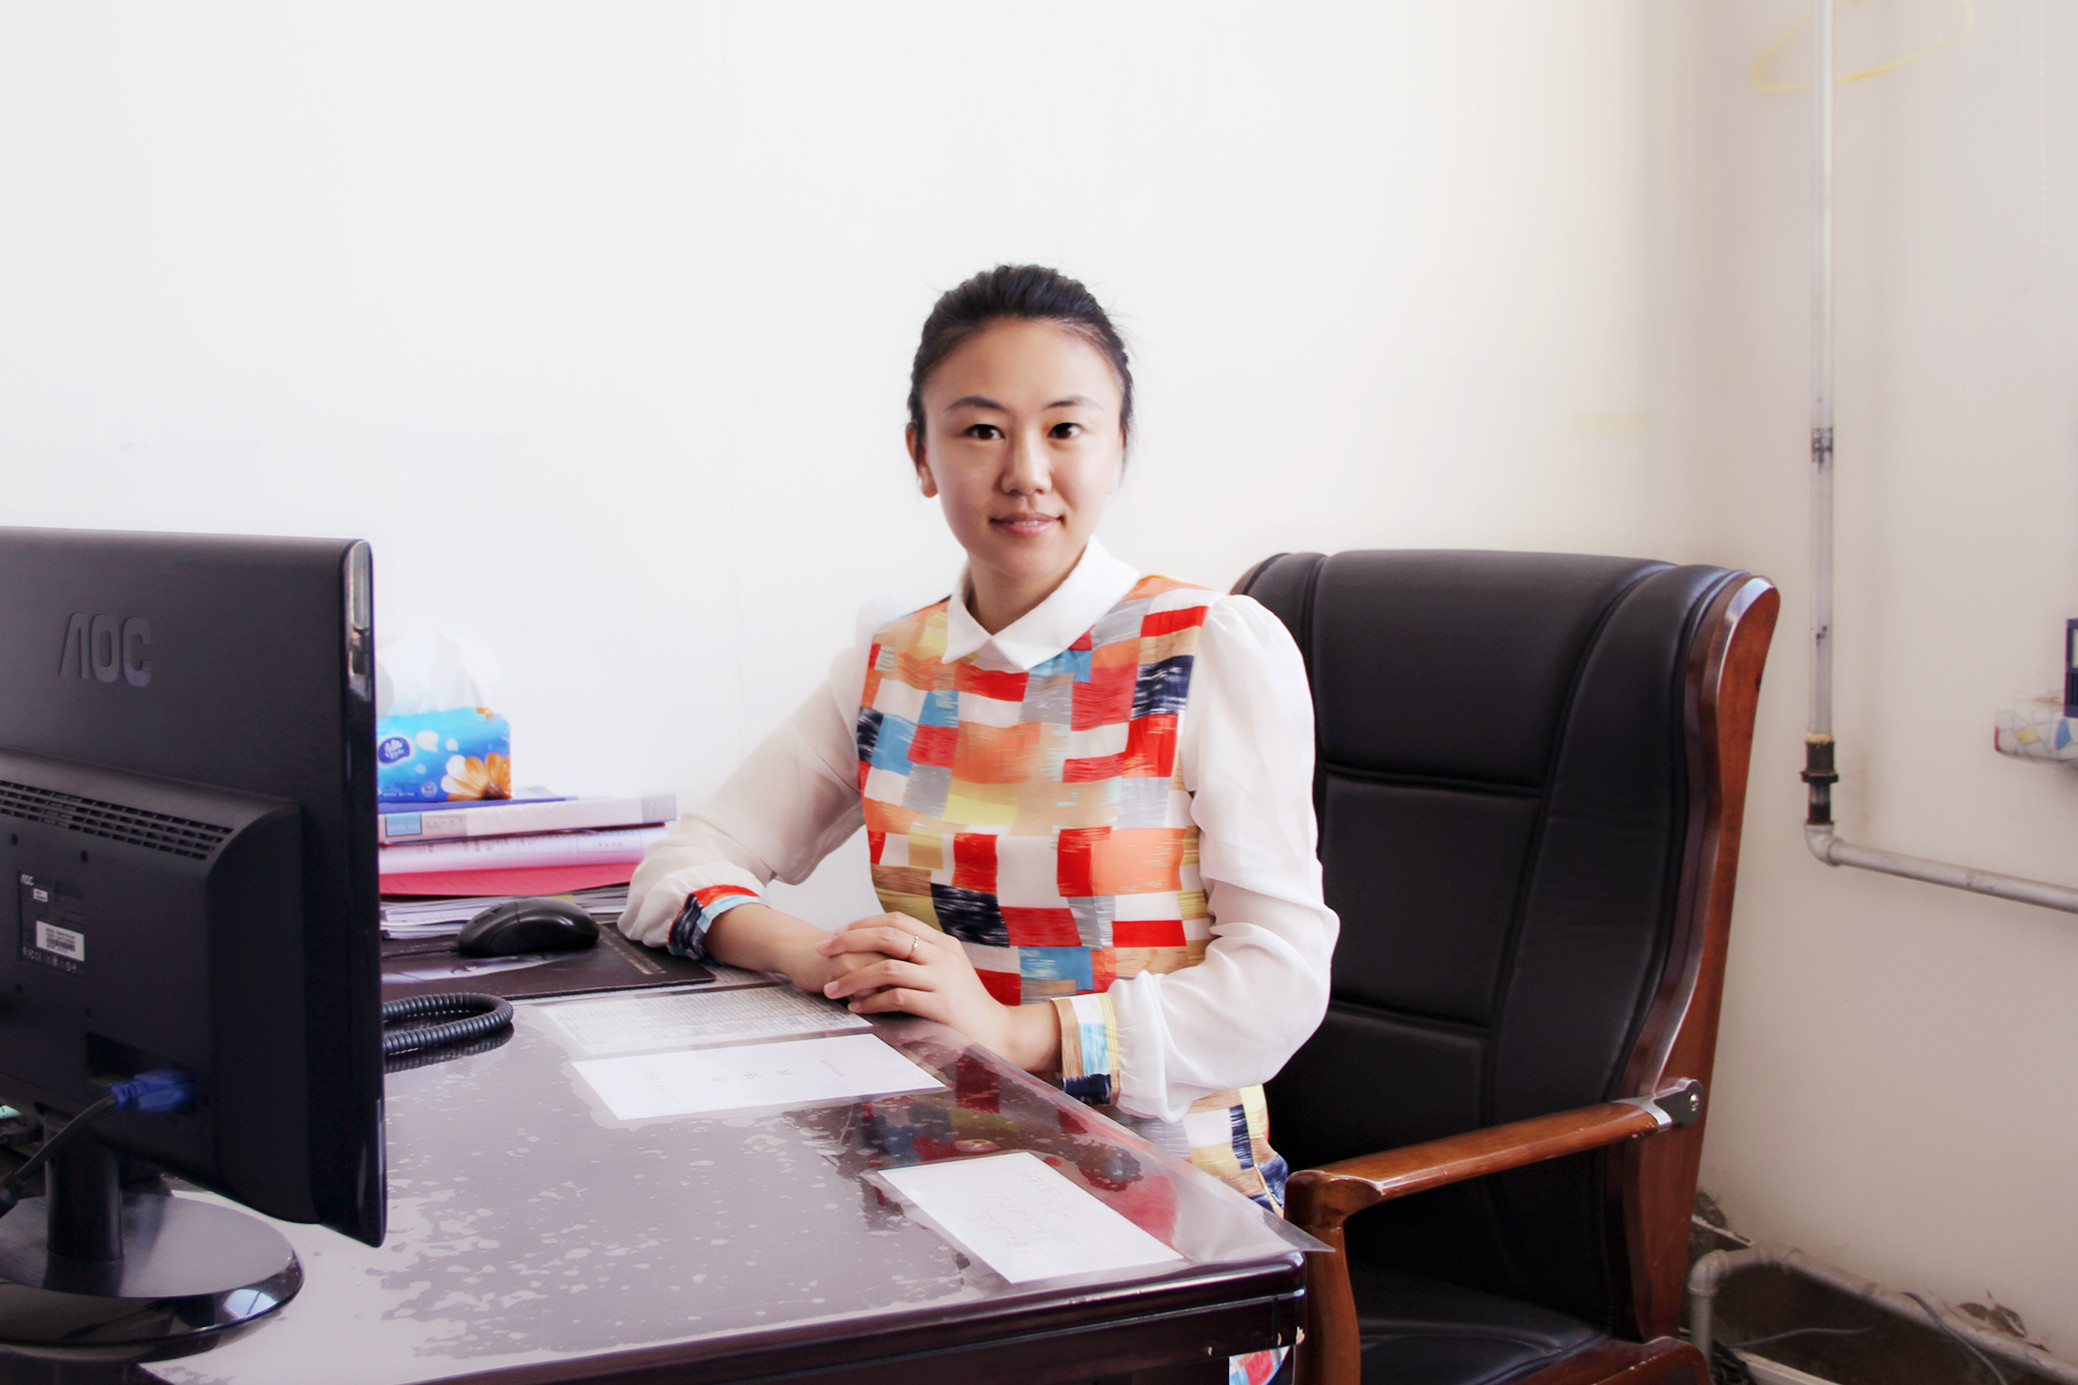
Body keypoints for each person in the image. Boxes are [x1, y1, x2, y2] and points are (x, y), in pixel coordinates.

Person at [621, 264, 1337, 1219]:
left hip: (1167, 1201)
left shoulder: (1210, 649)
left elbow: (1281, 982)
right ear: (922, 457)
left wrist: (1014, 1031)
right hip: (939, 1184)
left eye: (1065, 429)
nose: (1026, 472)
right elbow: (677, 868)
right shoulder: (890, 667)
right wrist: (821, 955)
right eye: (982, 430)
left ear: (1119, 448)